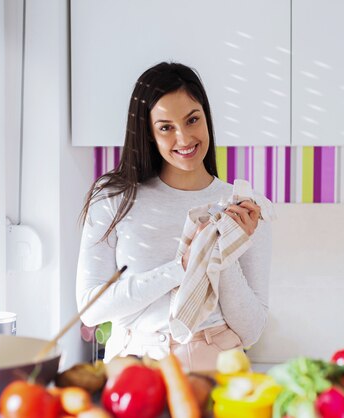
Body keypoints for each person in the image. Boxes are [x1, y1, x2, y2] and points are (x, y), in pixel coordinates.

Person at [76, 62, 272, 372]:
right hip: (133, 365)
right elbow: (90, 310)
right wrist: (181, 267)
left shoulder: (244, 207)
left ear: (206, 118)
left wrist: (222, 254)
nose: (184, 138)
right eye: (166, 127)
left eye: (193, 120)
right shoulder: (114, 198)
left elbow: (251, 330)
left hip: (216, 363)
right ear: (149, 133)